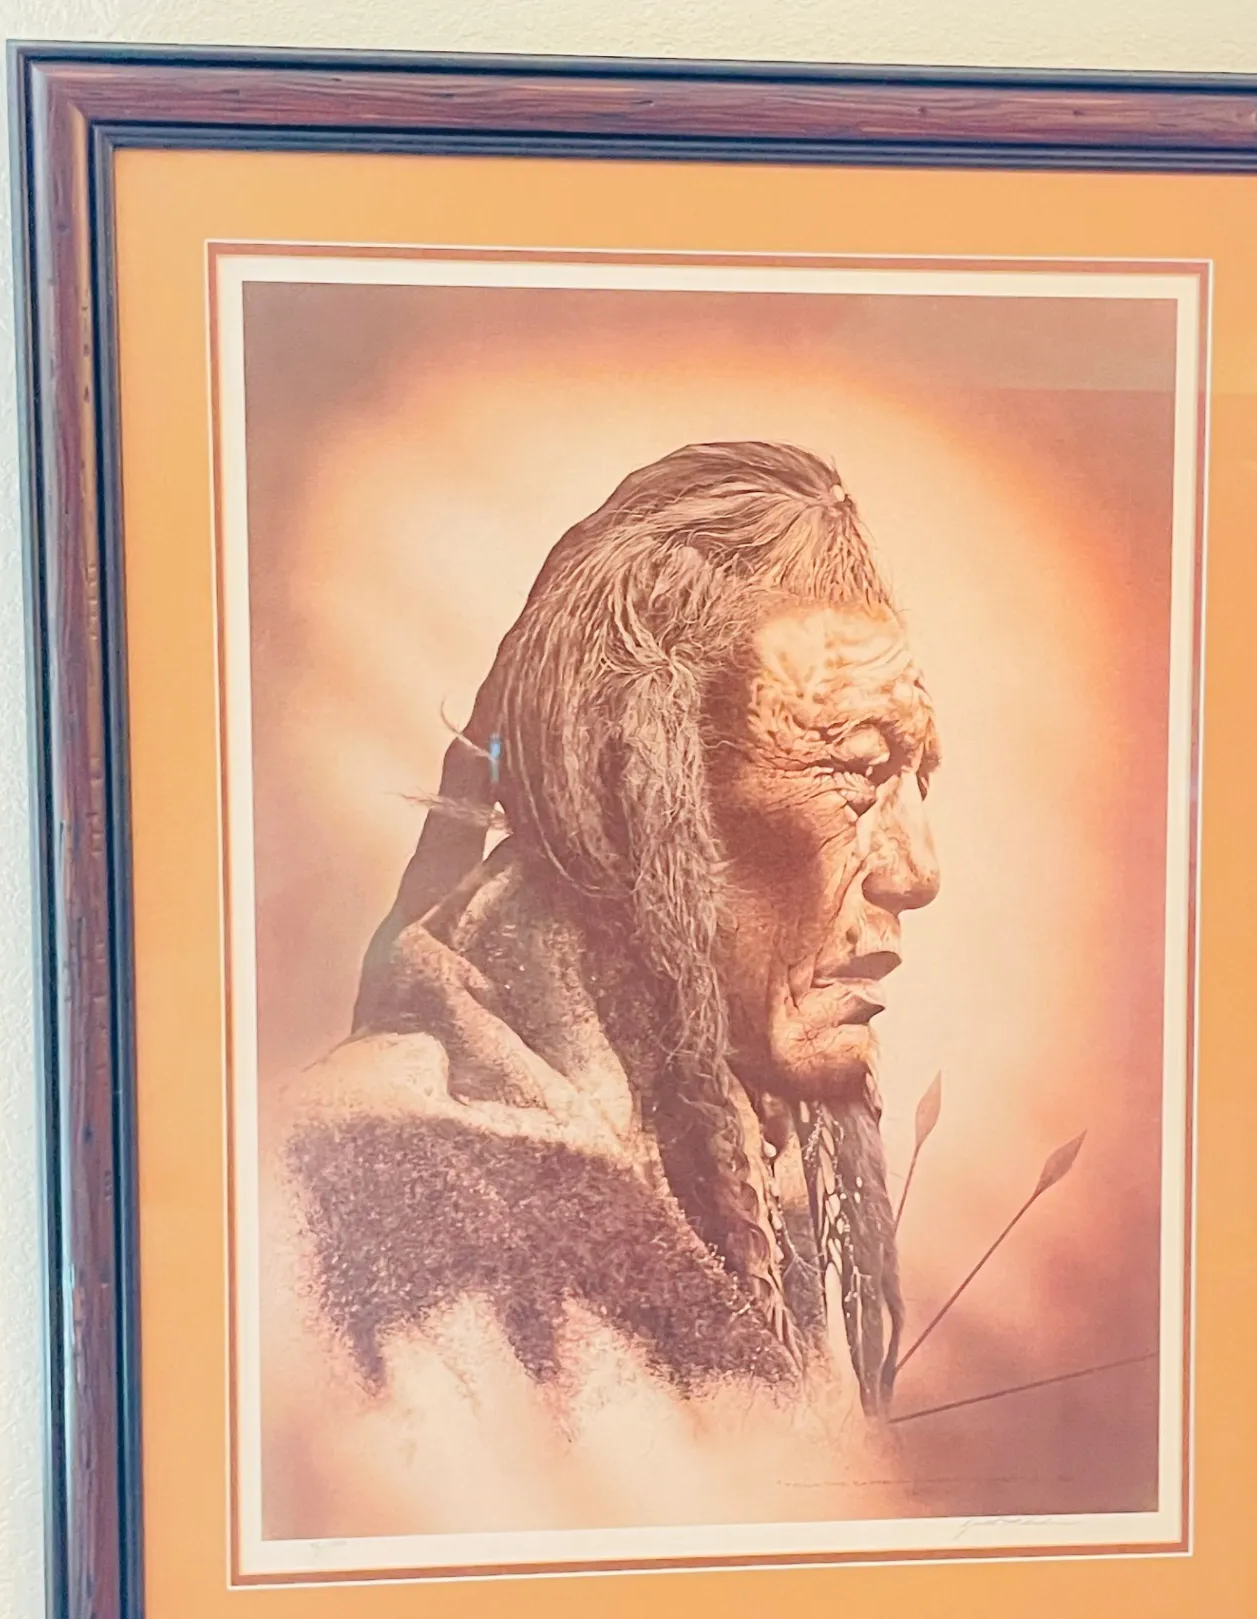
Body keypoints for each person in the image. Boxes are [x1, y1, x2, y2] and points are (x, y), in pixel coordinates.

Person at [281, 441, 940, 1420]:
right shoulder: (360, 1191)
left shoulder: (751, 1187)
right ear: (644, 801)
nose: (917, 872)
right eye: (857, 769)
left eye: (919, 781)